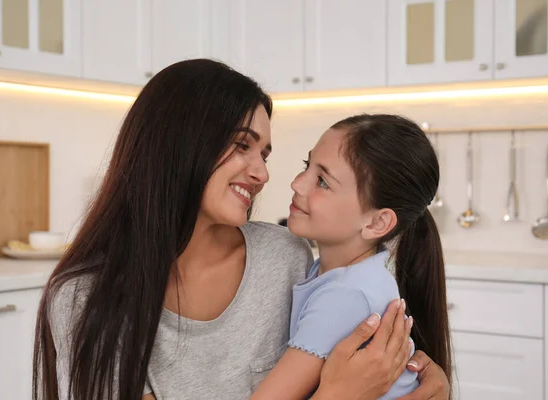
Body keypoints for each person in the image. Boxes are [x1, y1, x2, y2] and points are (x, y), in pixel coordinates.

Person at [32, 59, 450, 400]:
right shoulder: (84, 297)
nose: (264, 173)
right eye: (242, 145)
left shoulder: (285, 257)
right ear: (178, 143)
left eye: (264, 153)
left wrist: (430, 380)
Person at [251, 114, 452, 400]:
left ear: (377, 223)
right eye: (307, 166)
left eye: (322, 181)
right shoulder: (355, 277)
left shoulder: (344, 296)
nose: (297, 184)